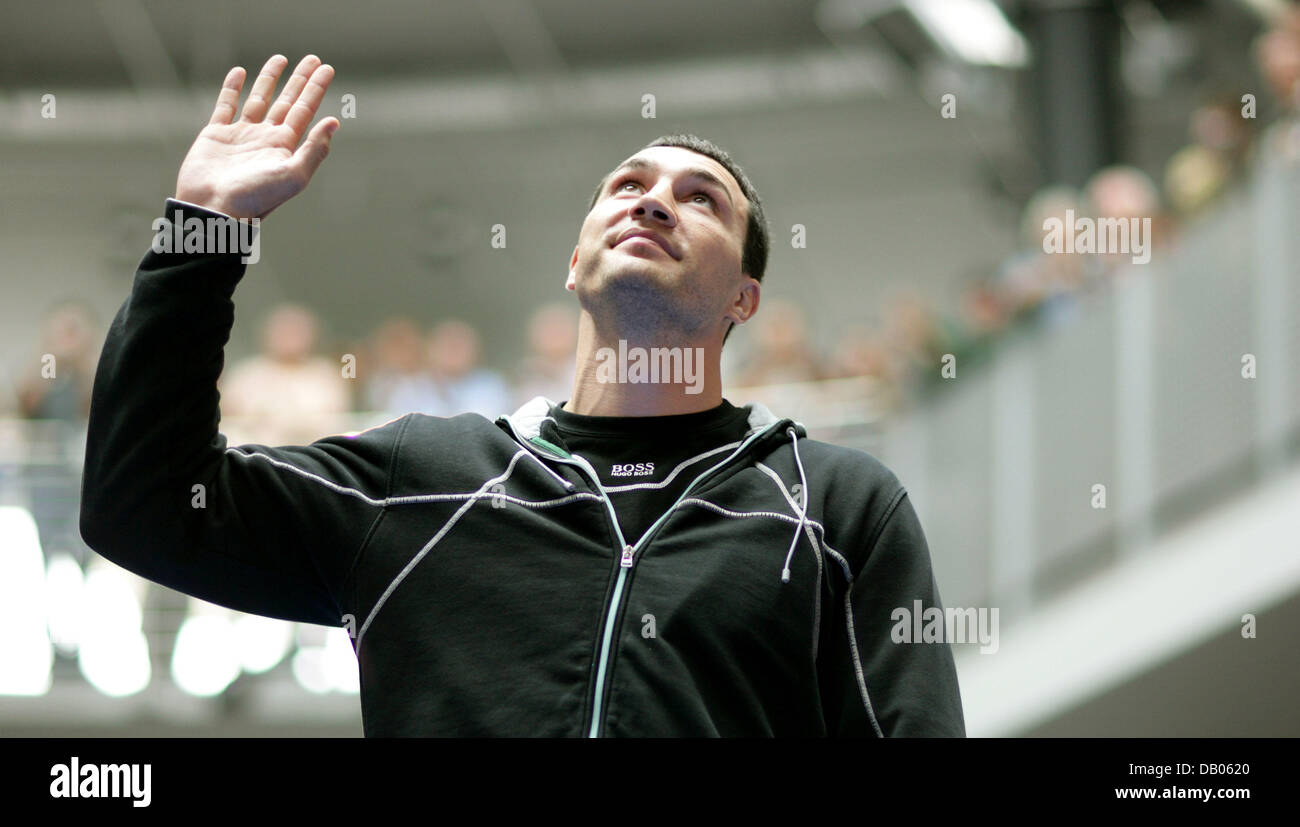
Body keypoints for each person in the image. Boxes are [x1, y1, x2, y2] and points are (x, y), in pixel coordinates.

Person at [79, 54, 965, 737]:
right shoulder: (422, 480)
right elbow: (144, 506)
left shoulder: (836, 506)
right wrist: (200, 234)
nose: (654, 202)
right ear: (575, 264)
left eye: (702, 201)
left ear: (744, 299)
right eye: (628, 186)